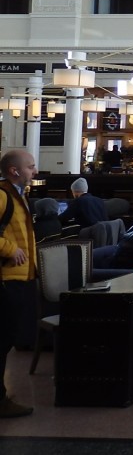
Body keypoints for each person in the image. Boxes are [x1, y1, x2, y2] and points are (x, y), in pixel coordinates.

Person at [0, 149, 38, 417]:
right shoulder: (2, 195)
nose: (34, 172)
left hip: (20, 278)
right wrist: (8, 248)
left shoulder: (19, 196)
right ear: (14, 171)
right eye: (30, 167)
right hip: (6, 281)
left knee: (6, 341)